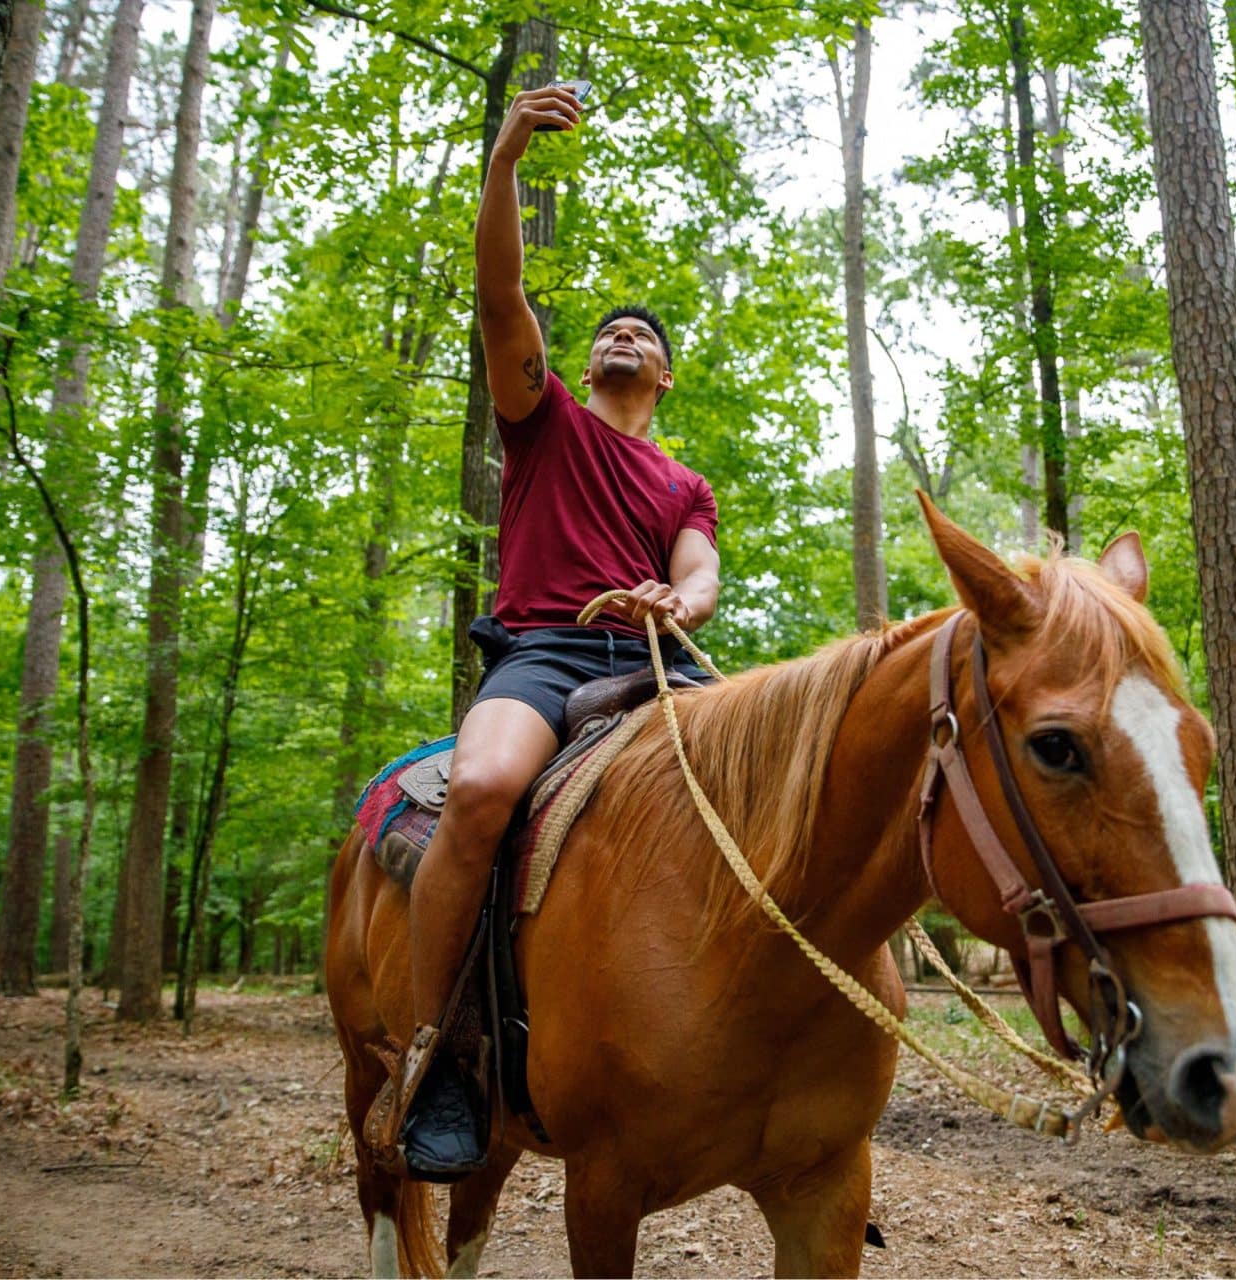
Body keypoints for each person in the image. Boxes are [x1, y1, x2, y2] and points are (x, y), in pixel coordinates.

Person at [392, 81, 721, 1180]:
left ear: (663, 375)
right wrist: (503, 164)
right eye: (607, 331)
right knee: (482, 790)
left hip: (664, 664)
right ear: (578, 367)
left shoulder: (684, 480)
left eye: (644, 334)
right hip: (545, 653)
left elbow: (700, 568)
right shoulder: (543, 424)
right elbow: (498, 297)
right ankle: (438, 1056)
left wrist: (675, 604)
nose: (624, 335)